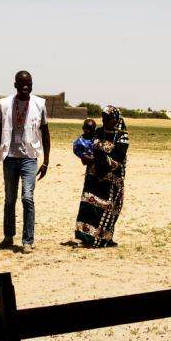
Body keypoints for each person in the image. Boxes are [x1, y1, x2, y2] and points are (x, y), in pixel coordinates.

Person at [0, 70, 50, 253]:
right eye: (22, 83)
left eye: (29, 83)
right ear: (15, 84)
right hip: (9, 158)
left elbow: (45, 133)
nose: (26, 86)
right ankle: (8, 236)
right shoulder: (5, 104)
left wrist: (46, 161)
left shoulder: (40, 104)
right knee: (9, 200)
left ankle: (27, 240)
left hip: (29, 158)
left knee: (27, 198)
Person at [74, 105, 129, 247]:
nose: (105, 121)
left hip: (112, 180)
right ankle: (85, 237)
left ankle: (104, 239)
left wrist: (95, 160)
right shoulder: (98, 132)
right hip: (93, 177)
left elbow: (118, 158)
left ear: (116, 119)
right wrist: (85, 157)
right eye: (104, 118)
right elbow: (88, 147)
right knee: (88, 207)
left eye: (108, 118)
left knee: (107, 210)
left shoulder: (122, 137)